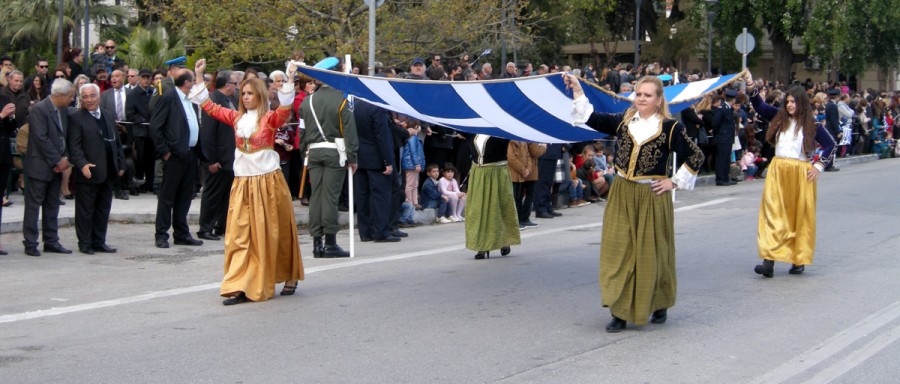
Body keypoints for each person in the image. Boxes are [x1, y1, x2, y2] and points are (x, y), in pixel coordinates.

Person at [565, 73, 705, 333]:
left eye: (647, 95)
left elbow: (695, 155)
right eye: (639, 94)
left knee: (651, 253)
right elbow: (592, 117)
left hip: (652, 196)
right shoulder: (624, 121)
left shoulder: (670, 128)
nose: (641, 99)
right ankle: (619, 311)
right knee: (618, 251)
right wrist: (576, 90)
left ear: (658, 99)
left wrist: (672, 182)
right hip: (622, 192)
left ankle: (659, 302)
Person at [191, 58, 304, 305]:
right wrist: (200, 76)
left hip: (268, 184)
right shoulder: (235, 118)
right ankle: (240, 283)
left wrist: (290, 76)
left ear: (261, 95)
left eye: (251, 94)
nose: (246, 98)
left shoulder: (271, 118)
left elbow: (285, 108)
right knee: (240, 235)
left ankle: (288, 276)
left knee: (275, 233)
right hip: (242, 184)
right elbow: (208, 106)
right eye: (243, 93)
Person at [744, 72, 836, 277]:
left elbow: (830, 144)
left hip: (801, 172)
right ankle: (769, 261)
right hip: (778, 170)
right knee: (773, 213)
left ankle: (798, 259)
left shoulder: (812, 124)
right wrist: (750, 83)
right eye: (788, 102)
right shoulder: (779, 118)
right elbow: (759, 105)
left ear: (801, 103)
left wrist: (818, 166)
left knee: (799, 216)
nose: (789, 105)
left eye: (793, 102)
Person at [299, 62, 358, 258]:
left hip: (313, 152)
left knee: (316, 196)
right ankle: (330, 243)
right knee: (330, 197)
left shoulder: (306, 102)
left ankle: (317, 243)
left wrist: (303, 154)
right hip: (334, 152)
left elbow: (302, 132)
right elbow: (349, 131)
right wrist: (352, 156)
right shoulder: (341, 101)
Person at [67, 83, 126, 254]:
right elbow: (75, 147)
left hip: (107, 170)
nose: (89, 100)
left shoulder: (107, 115)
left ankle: (99, 241)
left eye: (92, 95)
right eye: (85, 97)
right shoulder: (76, 118)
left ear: (98, 96)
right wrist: (82, 164)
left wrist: (121, 163)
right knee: (85, 210)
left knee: (103, 208)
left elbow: (116, 142)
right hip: (88, 172)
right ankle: (85, 243)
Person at [149, 67, 204, 249]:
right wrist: (164, 151)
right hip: (174, 155)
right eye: (193, 81)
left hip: (189, 154)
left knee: (185, 196)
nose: (195, 83)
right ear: (187, 82)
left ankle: (181, 232)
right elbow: (156, 126)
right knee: (167, 196)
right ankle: (161, 234)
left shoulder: (191, 100)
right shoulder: (168, 98)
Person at [22, 79, 76, 257]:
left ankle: (51, 240)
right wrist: (57, 161)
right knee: (33, 206)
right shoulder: (39, 109)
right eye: (70, 96)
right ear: (59, 95)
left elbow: (64, 137)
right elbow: (41, 138)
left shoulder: (63, 111)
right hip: (40, 166)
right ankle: (30, 242)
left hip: (57, 166)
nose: (71, 100)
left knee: (52, 205)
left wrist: (65, 158)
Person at [464, 133, 520, 260]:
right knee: (478, 210)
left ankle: (505, 240)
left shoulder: (500, 132)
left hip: (497, 173)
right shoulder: (472, 132)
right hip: (478, 174)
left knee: (498, 208)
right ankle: (481, 245)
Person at [197, 70, 237, 241]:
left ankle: (222, 225)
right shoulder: (214, 100)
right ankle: (205, 227)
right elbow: (207, 134)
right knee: (212, 194)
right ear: (227, 85)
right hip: (217, 158)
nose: (237, 87)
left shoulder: (231, 100)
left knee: (226, 195)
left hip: (229, 158)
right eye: (235, 83)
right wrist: (210, 160)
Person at [353, 99, 397, 242]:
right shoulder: (377, 108)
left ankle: (365, 232)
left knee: (362, 196)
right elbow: (382, 136)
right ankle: (380, 232)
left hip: (359, 157)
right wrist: (387, 161)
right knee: (380, 197)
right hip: (376, 158)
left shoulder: (355, 105)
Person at [126, 69, 156, 193]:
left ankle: (150, 183)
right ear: (139, 78)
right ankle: (138, 182)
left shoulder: (154, 92)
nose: (145, 80)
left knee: (151, 159)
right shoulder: (132, 94)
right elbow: (129, 114)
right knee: (140, 159)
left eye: (148, 77)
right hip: (140, 132)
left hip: (152, 132)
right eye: (143, 77)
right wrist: (142, 119)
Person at [507, 140, 545, 230]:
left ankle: (520, 220)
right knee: (515, 199)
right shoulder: (511, 142)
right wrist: (523, 170)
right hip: (514, 174)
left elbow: (527, 156)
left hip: (522, 174)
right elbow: (511, 157)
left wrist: (527, 169)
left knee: (518, 198)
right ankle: (515, 221)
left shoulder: (523, 142)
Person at [0, 93, 16, 254]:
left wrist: (10, 118)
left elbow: (10, 129)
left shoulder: (3, 98)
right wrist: (1, 115)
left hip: (3, 156)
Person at [713, 90, 738, 186]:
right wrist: (719, 133)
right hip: (723, 138)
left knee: (727, 158)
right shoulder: (722, 108)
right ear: (733, 100)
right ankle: (720, 179)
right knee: (722, 159)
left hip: (727, 138)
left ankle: (726, 177)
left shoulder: (728, 108)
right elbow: (715, 123)